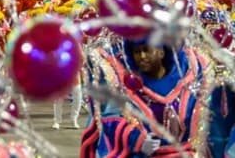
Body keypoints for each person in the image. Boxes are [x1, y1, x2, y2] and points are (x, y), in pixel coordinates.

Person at [80, 38, 217, 158]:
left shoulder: (189, 78)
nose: (142, 56)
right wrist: (136, 141)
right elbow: (110, 118)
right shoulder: (124, 83)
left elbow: (208, 119)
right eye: (137, 52)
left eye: (146, 50)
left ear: (161, 52)